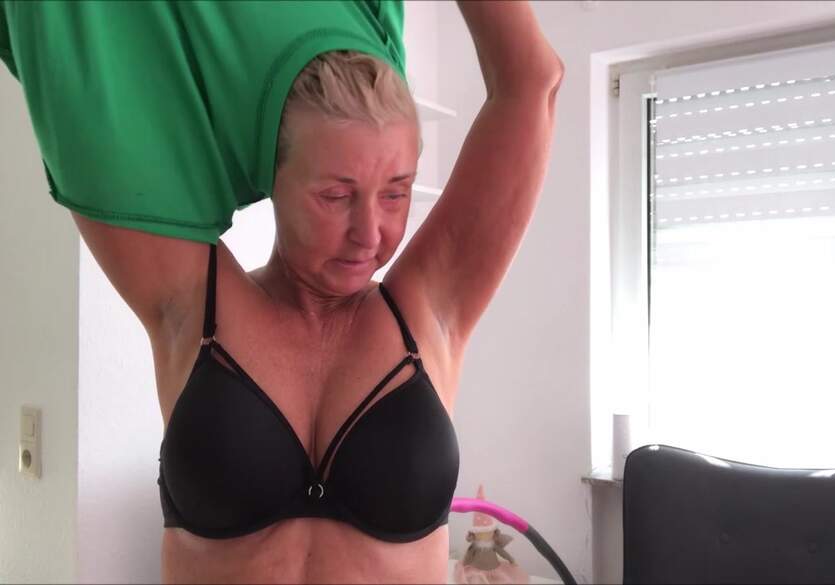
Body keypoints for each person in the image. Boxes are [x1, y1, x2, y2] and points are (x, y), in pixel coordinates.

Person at [2, 1, 563, 582]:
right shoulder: (192, 305)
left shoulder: (431, 310)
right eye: (336, 196)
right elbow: (82, 70)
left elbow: (531, 81)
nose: (370, 234)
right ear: (273, 174)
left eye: (396, 193)